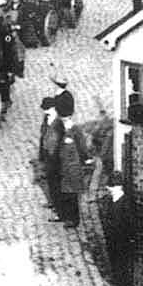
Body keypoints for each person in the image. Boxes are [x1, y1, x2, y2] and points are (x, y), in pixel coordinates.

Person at [49, 92, 92, 226]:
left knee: (71, 194)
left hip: (71, 166)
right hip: (59, 164)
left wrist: (86, 159)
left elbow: (82, 147)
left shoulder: (75, 130)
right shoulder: (57, 125)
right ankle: (63, 214)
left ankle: (73, 219)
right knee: (61, 191)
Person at [97, 170, 136, 286]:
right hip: (112, 241)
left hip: (122, 243)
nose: (108, 190)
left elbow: (129, 225)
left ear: (117, 187)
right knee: (115, 266)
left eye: (111, 187)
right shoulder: (111, 201)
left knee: (123, 268)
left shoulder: (125, 203)